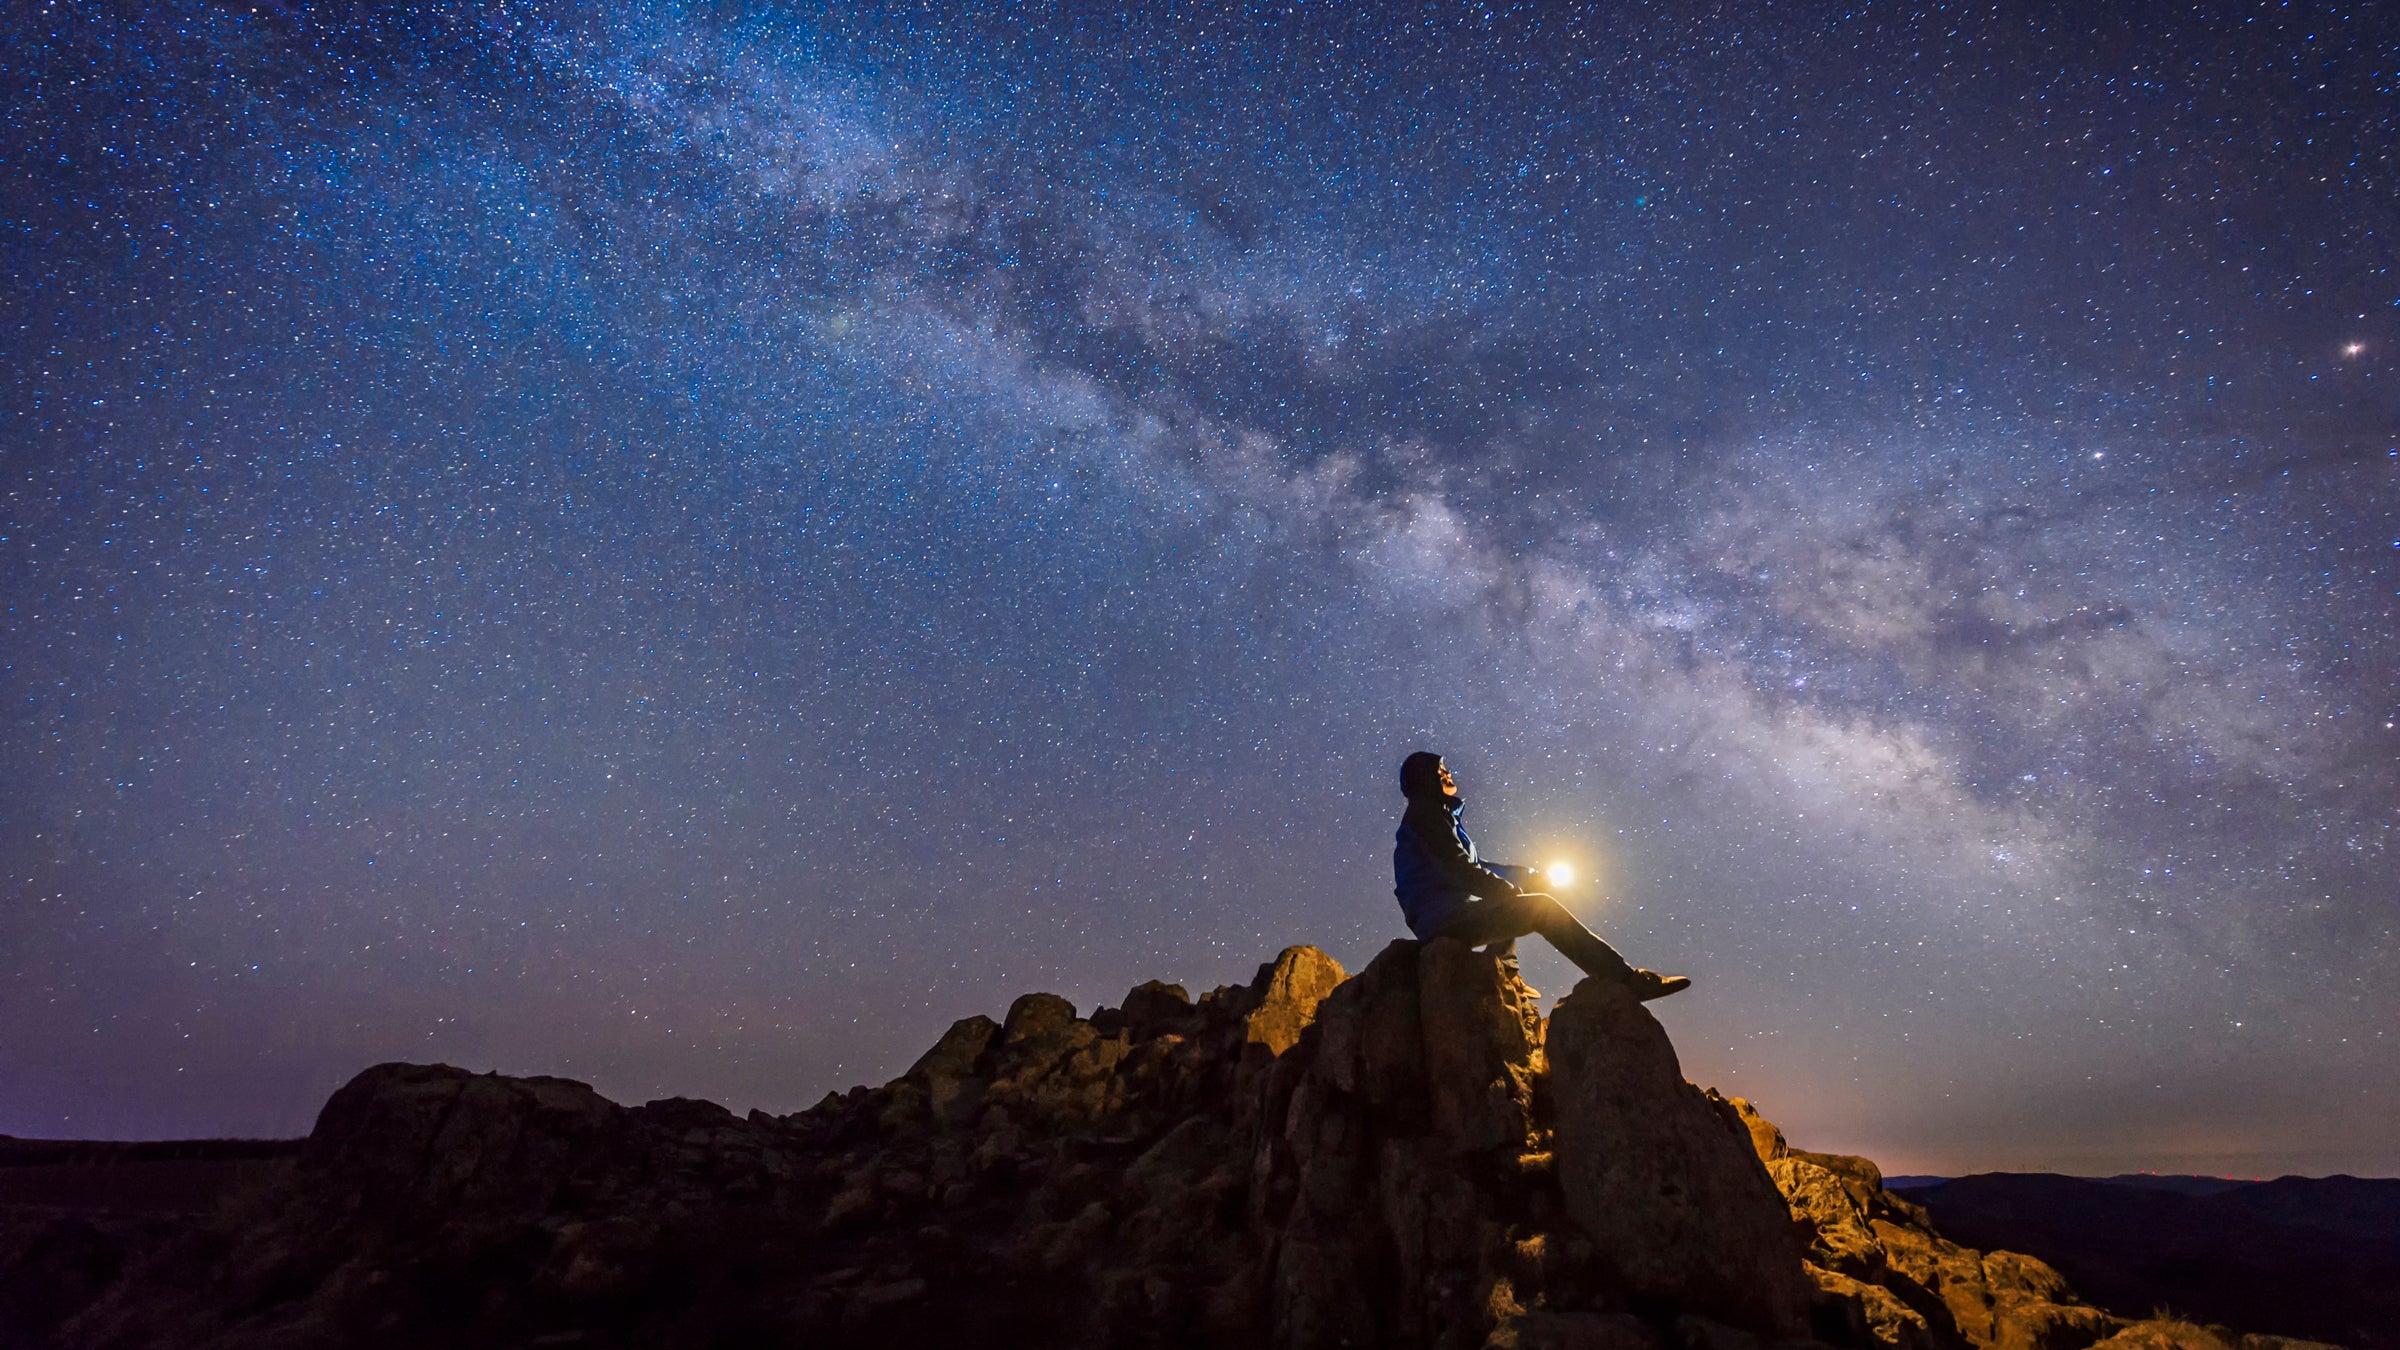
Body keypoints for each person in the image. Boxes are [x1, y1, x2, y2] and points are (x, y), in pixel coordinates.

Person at [1392, 751, 1689, 1000]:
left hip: (1445, 914)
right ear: (1424, 778)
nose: (1448, 774)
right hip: (1444, 919)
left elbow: (1475, 865)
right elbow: (1459, 869)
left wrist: (1526, 877)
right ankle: (1625, 980)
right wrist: (1509, 890)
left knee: (1511, 894)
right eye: (1440, 770)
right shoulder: (1427, 816)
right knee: (1539, 908)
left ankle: (1504, 970)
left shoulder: (1435, 817)